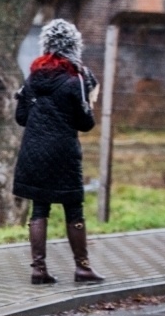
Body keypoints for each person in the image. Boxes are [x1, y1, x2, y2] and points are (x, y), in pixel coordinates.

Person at [13, 18, 105, 285]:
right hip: (64, 152)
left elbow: (21, 118)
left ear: (46, 45)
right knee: (73, 209)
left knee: (39, 208)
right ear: (74, 46)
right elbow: (85, 123)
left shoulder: (32, 77)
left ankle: (38, 270)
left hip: (33, 151)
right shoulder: (75, 78)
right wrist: (87, 100)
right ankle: (83, 268)